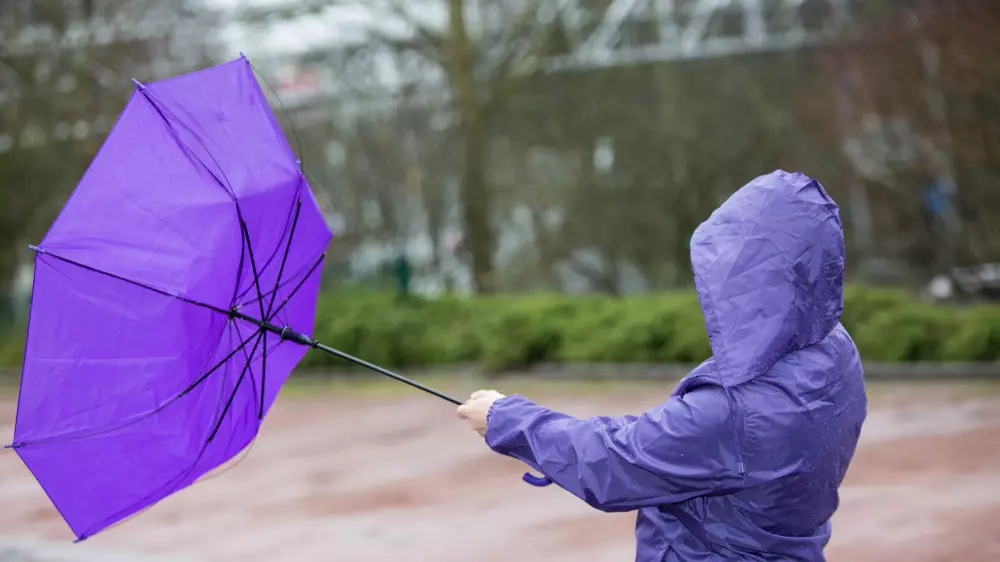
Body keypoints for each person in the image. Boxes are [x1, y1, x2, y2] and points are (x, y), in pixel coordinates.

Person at [457, 170, 867, 561]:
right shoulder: (836, 349)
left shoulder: (734, 412)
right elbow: (669, 439)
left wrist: (505, 418)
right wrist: (551, 444)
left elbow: (615, 464)